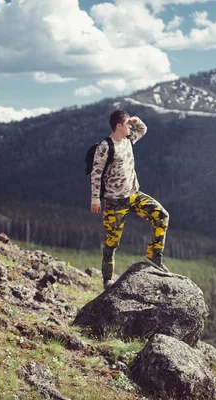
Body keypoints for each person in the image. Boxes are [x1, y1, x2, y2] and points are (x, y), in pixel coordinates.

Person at [90, 109, 169, 290]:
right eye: (127, 124)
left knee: (161, 216)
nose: (130, 127)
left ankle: (153, 257)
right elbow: (96, 174)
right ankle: (108, 280)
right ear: (119, 126)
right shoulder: (105, 147)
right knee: (112, 242)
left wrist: (135, 120)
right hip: (114, 201)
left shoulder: (128, 140)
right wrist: (95, 199)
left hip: (134, 195)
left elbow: (142, 130)